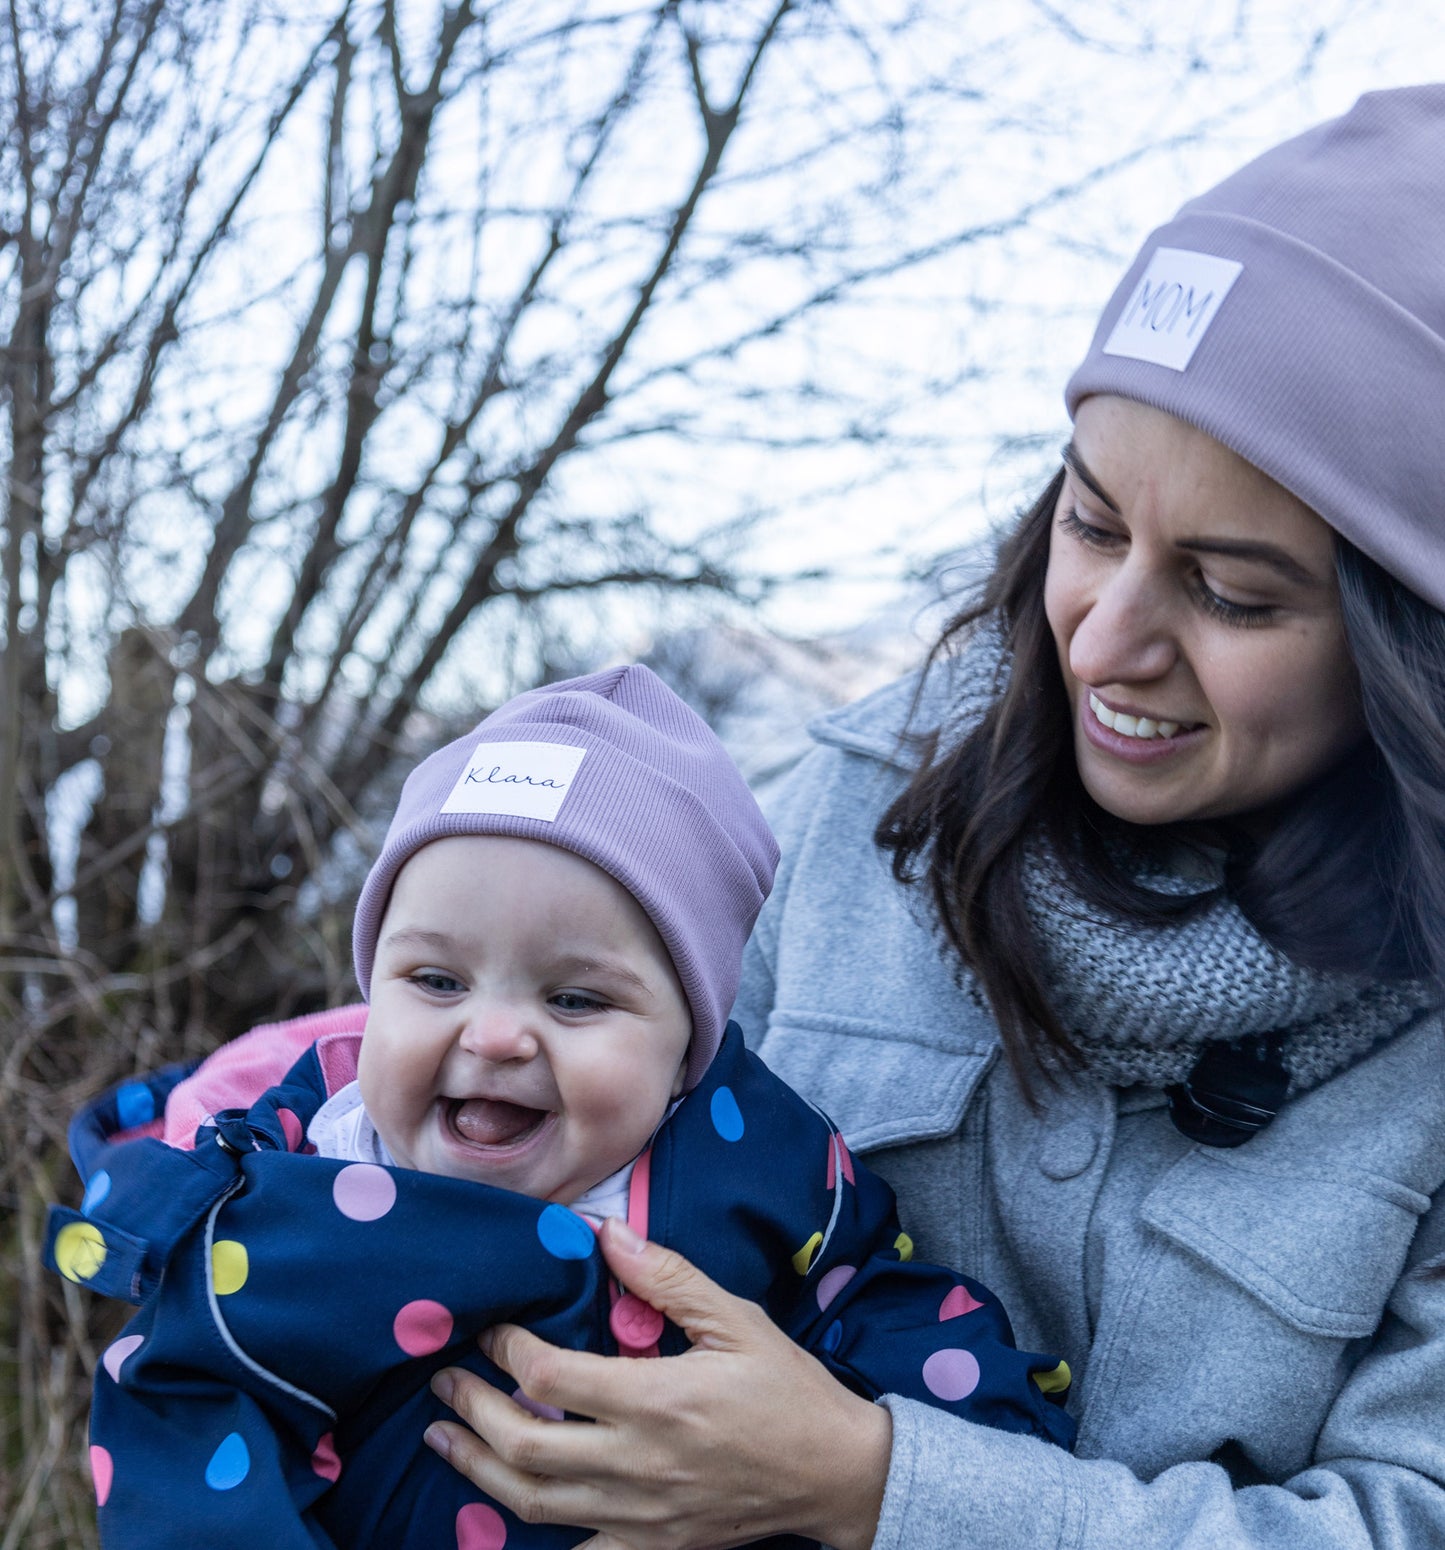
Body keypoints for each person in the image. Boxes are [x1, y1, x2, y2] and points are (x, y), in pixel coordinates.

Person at [417, 84, 1445, 1550]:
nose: (1102, 642)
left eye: (1229, 591)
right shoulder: (859, 799)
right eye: (1090, 525)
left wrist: (877, 1487)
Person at [46, 665, 1073, 1550]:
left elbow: (875, 1296)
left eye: (574, 998)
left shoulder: (756, 1158)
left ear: (688, 1043)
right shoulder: (283, 1204)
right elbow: (178, 1412)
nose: (494, 1035)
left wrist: (974, 1430)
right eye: (436, 981)